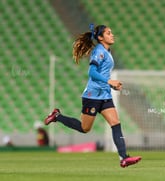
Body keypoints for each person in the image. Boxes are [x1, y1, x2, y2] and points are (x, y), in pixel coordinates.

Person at [44, 24, 141, 167]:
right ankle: (57, 116)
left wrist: (111, 85)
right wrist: (109, 81)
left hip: (105, 95)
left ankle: (123, 158)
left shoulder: (107, 51)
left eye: (111, 32)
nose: (112, 35)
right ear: (101, 38)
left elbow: (102, 74)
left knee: (116, 123)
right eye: (108, 33)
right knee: (85, 128)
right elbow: (92, 72)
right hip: (93, 95)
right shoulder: (99, 52)